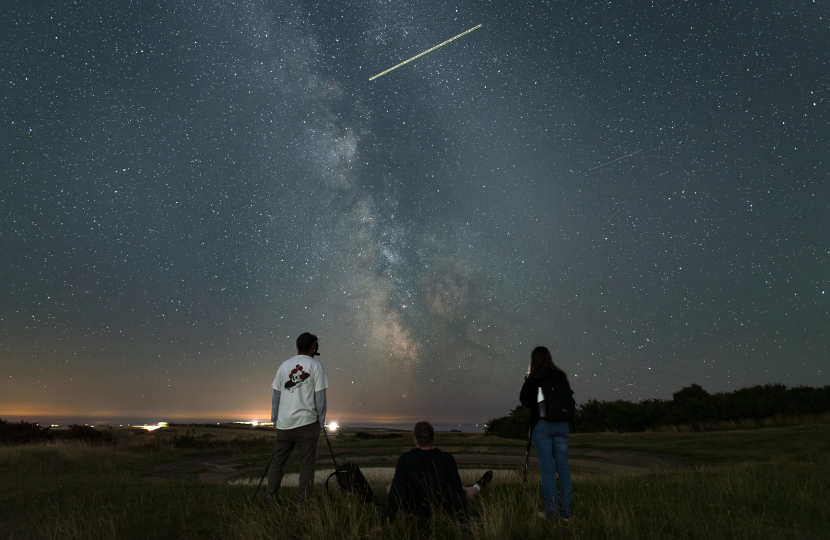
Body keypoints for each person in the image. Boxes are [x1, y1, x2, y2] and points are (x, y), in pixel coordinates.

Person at [372, 421, 493, 532]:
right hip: (443, 504)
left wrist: (384, 523)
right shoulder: (447, 459)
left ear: (415, 440)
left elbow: (396, 492)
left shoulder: (405, 459)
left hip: (413, 507)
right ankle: (478, 485)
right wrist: (466, 522)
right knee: (464, 491)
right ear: (434, 439)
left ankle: (479, 484)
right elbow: (456, 493)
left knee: (390, 488)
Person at [265, 332, 329, 504]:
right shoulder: (316, 366)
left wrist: (275, 419)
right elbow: (320, 398)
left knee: (277, 463)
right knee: (307, 464)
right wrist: (321, 421)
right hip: (308, 424)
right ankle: (304, 504)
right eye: (316, 344)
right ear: (312, 346)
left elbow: (276, 395)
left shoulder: (284, 366)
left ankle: (270, 501)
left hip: (284, 424)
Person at [519, 346, 574, 522]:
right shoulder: (561, 376)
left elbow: (525, 401)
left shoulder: (536, 375)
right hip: (562, 426)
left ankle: (553, 514)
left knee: (547, 470)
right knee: (563, 469)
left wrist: (527, 379)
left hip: (543, 426)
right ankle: (566, 514)